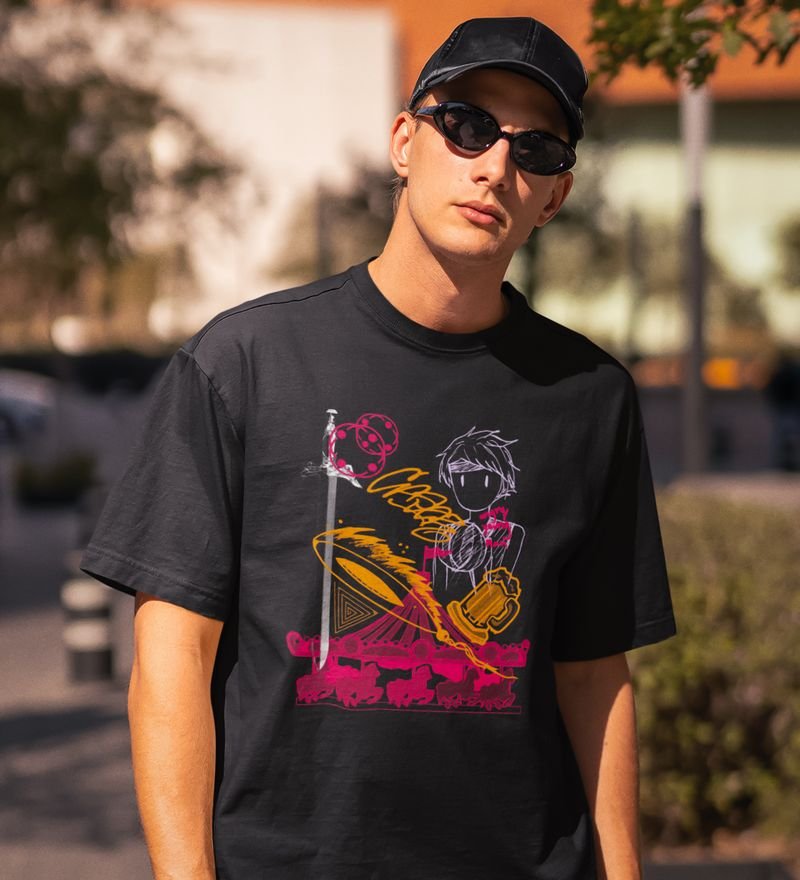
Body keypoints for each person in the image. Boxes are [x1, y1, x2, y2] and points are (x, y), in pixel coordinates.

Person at [82, 16, 676, 880]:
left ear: (555, 196)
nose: (495, 166)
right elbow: (173, 654)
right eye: (467, 125)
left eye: (535, 149)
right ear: (404, 142)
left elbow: (593, 675)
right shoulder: (245, 363)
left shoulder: (590, 396)